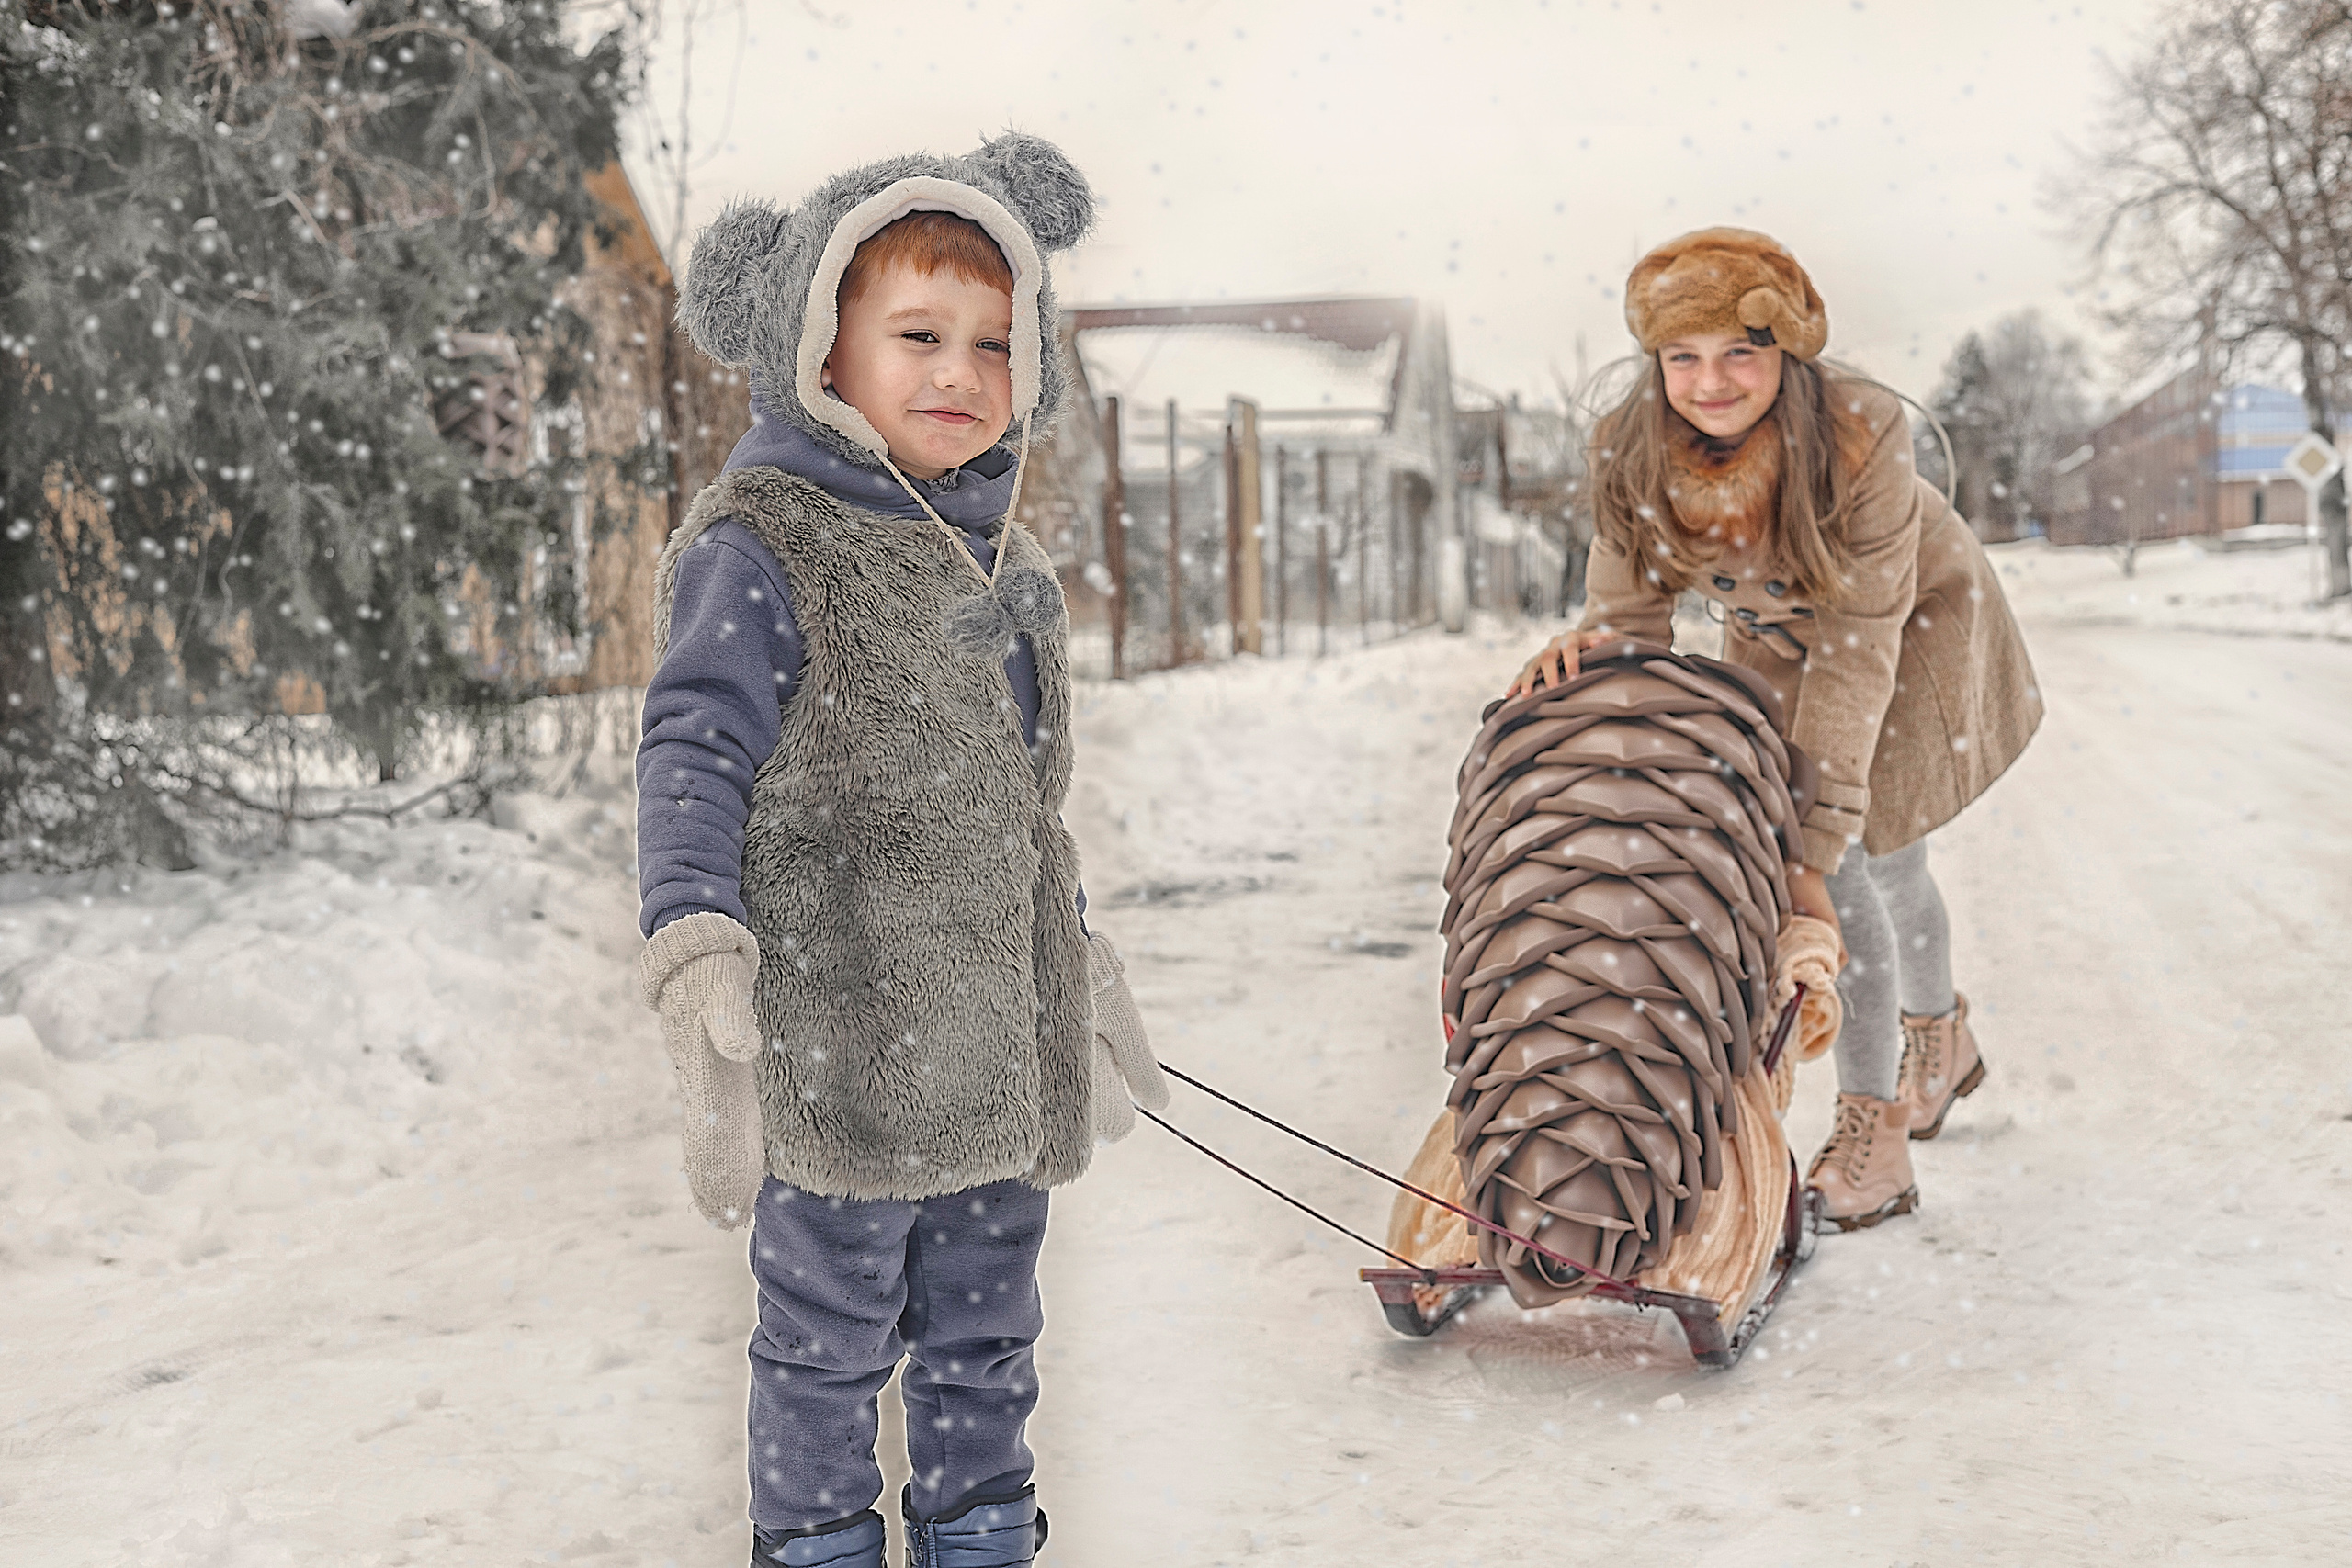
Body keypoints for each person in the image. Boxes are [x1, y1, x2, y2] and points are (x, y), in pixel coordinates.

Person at [633, 133, 1164, 1568]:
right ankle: (814, 1545)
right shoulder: (763, 547)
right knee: (825, 1346)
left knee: (990, 1338)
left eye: (997, 340)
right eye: (918, 334)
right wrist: (694, 941)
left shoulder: (1008, 565)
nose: (962, 372)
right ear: (820, 350)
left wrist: (1080, 964)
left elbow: (1017, 813)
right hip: (839, 1044)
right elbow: (691, 749)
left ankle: (979, 1539)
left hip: (997, 1057)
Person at [1509, 228, 2041, 1232]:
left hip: (1909, 625)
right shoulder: (1631, 447)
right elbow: (1630, 622)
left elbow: (1856, 641)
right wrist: (1590, 665)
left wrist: (1810, 839)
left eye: (1739, 353)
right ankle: (1941, 1035)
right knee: (1871, 866)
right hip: (1773, 636)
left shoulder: (1858, 437)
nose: (1710, 383)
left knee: (1849, 863)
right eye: (1682, 358)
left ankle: (1873, 1130)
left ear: (1785, 354)